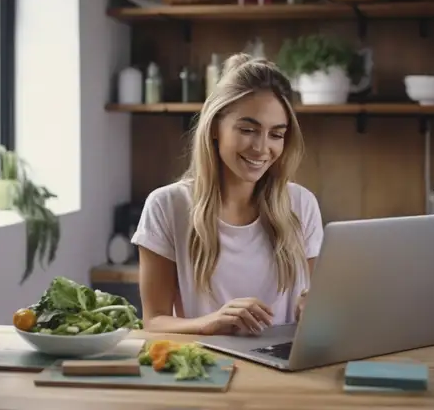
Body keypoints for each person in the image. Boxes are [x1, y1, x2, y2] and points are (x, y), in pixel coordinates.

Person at [130, 52, 323, 336]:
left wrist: (312, 307)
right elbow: (154, 320)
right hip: (208, 367)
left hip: (284, 365)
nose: (261, 148)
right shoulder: (167, 205)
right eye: (248, 129)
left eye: (276, 134)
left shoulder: (301, 204)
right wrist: (211, 322)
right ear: (215, 127)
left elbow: (314, 301)